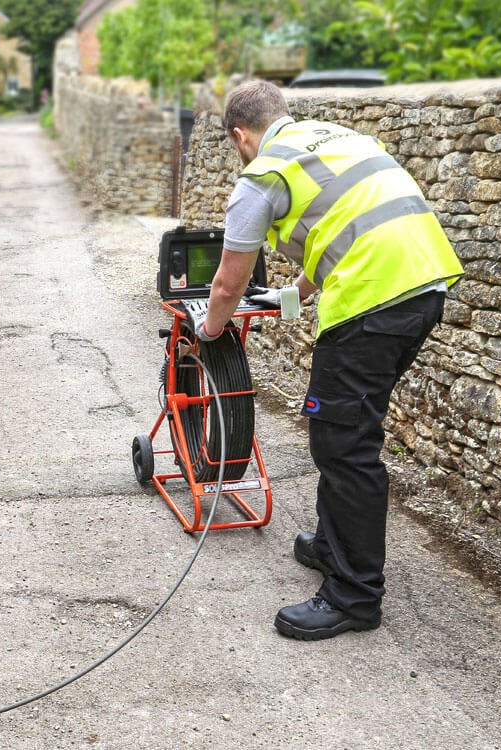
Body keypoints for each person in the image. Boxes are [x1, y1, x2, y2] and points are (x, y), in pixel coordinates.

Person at [195, 79, 464, 640]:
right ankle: (328, 544)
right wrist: (290, 299)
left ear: (240, 136)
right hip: (424, 286)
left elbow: (228, 282)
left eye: (235, 145)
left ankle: (353, 595)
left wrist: (210, 332)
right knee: (345, 428)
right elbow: (347, 233)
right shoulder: (336, 139)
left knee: (343, 443)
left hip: (373, 302)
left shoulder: (261, 174)